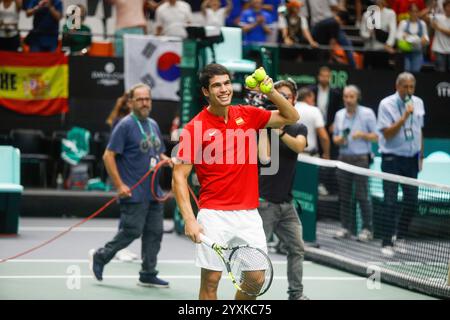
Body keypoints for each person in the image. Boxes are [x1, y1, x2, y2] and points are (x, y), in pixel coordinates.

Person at [172, 63, 299, 300]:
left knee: (256, 279)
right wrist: (189, 219)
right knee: (211, 283)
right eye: (217, 85)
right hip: (213, 215)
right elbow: (179, 176)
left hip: (248, 214)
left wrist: (269, 91)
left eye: (227, 83)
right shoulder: (194, 128)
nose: (224, 89)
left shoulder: (248, 114)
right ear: (205, 92)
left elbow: (291, 116)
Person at [89, 83, 171, 287]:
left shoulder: (153, 124)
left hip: (153, 192)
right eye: (140, 99)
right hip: (133, 192)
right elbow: (108, 156)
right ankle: (102, 255)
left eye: (148, 99)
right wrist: (119, 185)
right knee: (131, 231)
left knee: (154, 233)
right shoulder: (125, 125)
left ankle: (148, 272)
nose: (145, 103)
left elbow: (157, 151)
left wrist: (167, 159)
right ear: (131, 102)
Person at [257, 79, 309, 300]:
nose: (283, 99)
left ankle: (295, 295)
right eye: (279, 95)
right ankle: (250, 295)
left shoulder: (299, 127)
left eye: (287, 96)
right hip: (264, 203)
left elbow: (299, 146)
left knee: (297, 248)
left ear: (294, 99)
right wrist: (265, 128)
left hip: (287, 205)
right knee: (257, 254)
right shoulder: (265, 124)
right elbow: (264, 157)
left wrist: (280, 133)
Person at [377, 72, 425, 257]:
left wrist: (421, 155)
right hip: (391, 159)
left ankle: (401, 237)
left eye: (411, 86)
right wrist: (404, 117)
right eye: (405, 86)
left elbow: (420, 130)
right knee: (390, 201)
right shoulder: (386, 104)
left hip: (412, 159)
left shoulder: (418, 103)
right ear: (397, 86)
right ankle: (387, 241)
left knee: (411, 200)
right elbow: (387, 133)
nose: (409, 90)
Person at [332, 85, 378, 242]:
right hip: (343, 158)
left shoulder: (367, 113)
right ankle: (346, 228)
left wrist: (363, 135)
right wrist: (339, 140)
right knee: (344, 197)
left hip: (361, 159)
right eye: (346, 97)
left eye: (351, 97)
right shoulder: (339, 115)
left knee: (362, 196)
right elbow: (336, 138)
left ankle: (367, 229)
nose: (348, 100)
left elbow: (377, 136)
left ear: (357, 97)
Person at [360, 0, 397, 69]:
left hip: (383, 50)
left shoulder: (390, 13)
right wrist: (369, 34)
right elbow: (362, 33)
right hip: (369, 49)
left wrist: (389, 44)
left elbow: (393, 31)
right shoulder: (367, 14)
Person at [295, 87, 330, 159]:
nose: (314, 103)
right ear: (307, 97)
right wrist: (326, 154)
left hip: (290, 154)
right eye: (313, 100)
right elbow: (324, 137)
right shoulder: (314, 110)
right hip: (309, 156)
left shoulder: (290, 108)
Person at [396, 3, 429, 73]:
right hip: (405, 53)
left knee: (416, 72)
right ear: (409, 12)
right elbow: (398, 37)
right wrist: (417, 39)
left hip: (417, 53)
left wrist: (424, 40)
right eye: (412, 11)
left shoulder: (422, 24)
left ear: (419, 12)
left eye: (416, 11)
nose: (414, 14)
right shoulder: (403, 23)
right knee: (406, 72)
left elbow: (426, 39)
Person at [430, 0, 450, 72]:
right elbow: (426, 18)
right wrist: (432, 8)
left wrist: (438, 27)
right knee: (439, 73)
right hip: (439, 50)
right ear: (444, 8)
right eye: (448, 6)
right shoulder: (438, 17)